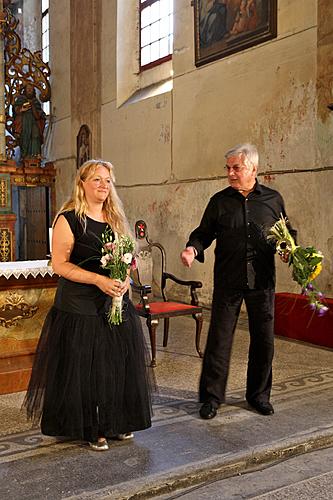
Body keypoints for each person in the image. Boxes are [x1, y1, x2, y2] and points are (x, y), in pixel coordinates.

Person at [24, 159, 153, 451]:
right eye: (96, 179)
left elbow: (126, 261)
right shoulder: (68, 219)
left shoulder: (116, 217)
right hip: (80, 306)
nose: (103, 186)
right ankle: (91, 428)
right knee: (86, 369)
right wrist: (98, 280)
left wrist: (126, 282)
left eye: (107, 180)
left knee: (113, 366)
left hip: (113, 302)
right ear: (82, 183)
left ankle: (115, 422)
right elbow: (59, 265)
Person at [180, 144, 291, 420]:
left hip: (262, 281)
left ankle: (258, 396)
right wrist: (192, 249)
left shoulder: (273, 200)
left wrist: (290, 251)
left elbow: (286, 234)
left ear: (253, 169)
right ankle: (211, 398)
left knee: (264, 342)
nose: (230, 173)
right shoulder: (219, 201)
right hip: (228, 280)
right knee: (219, 340)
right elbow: (203, 233)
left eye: (236, 168)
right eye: (228, 168)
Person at [13, 82, 46, 159]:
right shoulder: (21, 99)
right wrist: (21, 109)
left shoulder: (35, 101)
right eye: (28, 89)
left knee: (36, 135)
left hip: (34, 121)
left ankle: (35, 155)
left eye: (31, 89)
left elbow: (39, 112)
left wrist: (41, 114)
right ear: (25, 90)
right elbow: (15, 110)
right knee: (25, 137)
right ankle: (25, 156)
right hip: (24, 121)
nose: (30, 90)